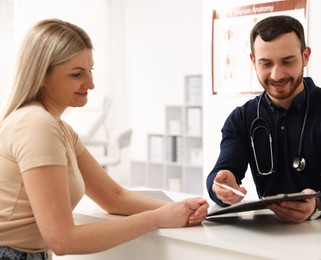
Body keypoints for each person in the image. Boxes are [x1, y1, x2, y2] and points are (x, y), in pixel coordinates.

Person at [0, 18, 208, 259]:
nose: (91, 84)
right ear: (42, 76)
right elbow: (62, 240)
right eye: (77, 74)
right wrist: (158, 218)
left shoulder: (60, 129)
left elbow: (113, 197)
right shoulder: (36, 125)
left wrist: (185, 209)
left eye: (91, 70)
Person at [206, 15, 321, 224]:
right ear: (253, 62)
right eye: (266, 63)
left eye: (287, 61)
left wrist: (317, 204)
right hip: (269, 235)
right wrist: (220, 186)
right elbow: (219, 175)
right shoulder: (241, 119)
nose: (276, 75)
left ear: (305, 56)